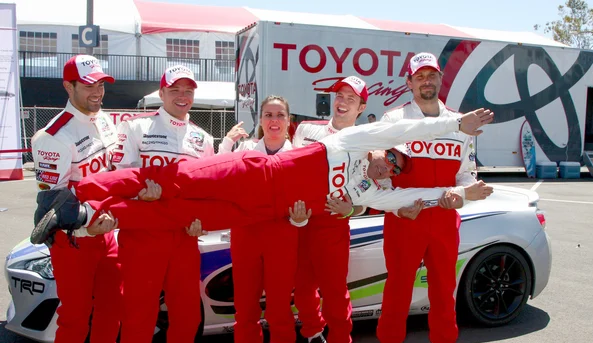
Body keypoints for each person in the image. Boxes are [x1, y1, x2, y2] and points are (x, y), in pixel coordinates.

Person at [31, 104, 494, 251]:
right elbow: (403, 128)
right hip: (251, 174)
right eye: (389, 158)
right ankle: (74, 194)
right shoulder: (355, 139)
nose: (386, 167)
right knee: (175, 177)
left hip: (257, 211)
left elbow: (416, 194)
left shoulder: (373, 190)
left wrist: (458, 193)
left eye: (394, 171)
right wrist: (455, 125)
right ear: (380, 148)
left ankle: (86, 213)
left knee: (172, 215)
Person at [370, 52, 493, 343]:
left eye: (432, 75)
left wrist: (464, 195)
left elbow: (466, 173)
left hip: (443, 220)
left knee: (443, 291)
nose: (427, 81)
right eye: (419, 76)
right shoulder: (393, 119)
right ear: (409, 82)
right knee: (397, 290)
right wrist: (395, 208)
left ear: (440, 80)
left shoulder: (460, 124)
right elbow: (380, 177)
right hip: (405, 219)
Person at [110, 65, 210, 343]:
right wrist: (140, 192)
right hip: (143, 235)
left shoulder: (203, 137)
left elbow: (205, 192)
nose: (183, 97)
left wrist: (201, 220)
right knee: (139, 315)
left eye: (188, 91)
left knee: (187, 315)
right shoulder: (136, 127)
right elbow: (119, 179)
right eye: (175, 90)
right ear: (162, 92)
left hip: (184, 237)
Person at [30, 54, 123, 343]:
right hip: (74, 241)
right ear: (68, 86)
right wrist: (89, 222)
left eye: (100, 83)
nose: (97, 91)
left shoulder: (108, 122)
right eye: (88, 85)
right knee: (75, 319)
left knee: (113, 310)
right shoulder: (52, 136)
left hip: (108, 235)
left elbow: (113, 177)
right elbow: (51, 205)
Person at [220, 95, 309, 343]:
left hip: (282, 236)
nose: (274, 120)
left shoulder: (299, 156)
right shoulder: (244, 150)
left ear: (288, 121)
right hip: (246, 235)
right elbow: (218, 174)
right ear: (260, 119)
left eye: (280, 115)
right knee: (245, 307)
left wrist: (299, 219)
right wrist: (225, 143)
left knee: (280, 308)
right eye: (268, 114)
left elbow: (305, 201)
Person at [291, 76, 369, 343]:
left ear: (362, 107)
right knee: (300, 290)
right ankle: (313, 337)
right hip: (298, 222)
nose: (343, 101)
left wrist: (353, 208)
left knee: (335, 297)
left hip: (333, 224)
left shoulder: (366, 141)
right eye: (340, 94)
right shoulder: (307, 130)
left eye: (352, 98)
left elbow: (369, 186)